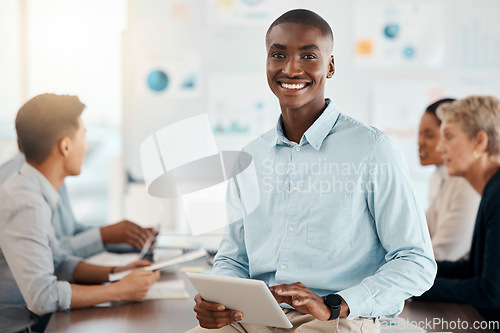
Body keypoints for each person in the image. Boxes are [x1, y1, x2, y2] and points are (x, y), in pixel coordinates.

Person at [189, 9, 436, 333]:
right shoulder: (250, 157)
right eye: (279, 54)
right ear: (267, 63)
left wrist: (336, 303)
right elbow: (234, 259)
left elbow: (416, 262)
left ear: (329, 67)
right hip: (260, 317)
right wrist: (218, 298)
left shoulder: (372, 149)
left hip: (340, 318)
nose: (291, 68)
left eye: (308, 55)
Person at [0, 94, 160, 332]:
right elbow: (42, 296)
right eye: (83, 135)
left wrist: (116, 273)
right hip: (21, 327)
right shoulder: (25, 203)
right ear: (65, 146)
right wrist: (120, 289)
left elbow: (58, 262)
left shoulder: (35, 190)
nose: (85, 145)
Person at [415, 95, 500, 327]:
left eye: (449, 137)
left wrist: (412, 286)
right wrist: (412, 274)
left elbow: (491, 291)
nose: (441, 148)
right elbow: (472, 270)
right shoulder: (491, 189)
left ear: (480, 142)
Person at [0, 152, 156, 258]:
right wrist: (104, 234)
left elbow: (71, 231)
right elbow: (50, 256)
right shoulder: (19, 184)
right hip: (21, 304)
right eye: (81, 136)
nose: (84, 148)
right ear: (64, 143)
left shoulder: (50, 172)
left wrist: (127, 237)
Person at [418, 98, 480, 261]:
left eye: (430, 135)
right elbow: (422, 231)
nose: (420, 142)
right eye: (419, 133)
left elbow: (446, 252)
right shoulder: (438, 178)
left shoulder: (467, 183)